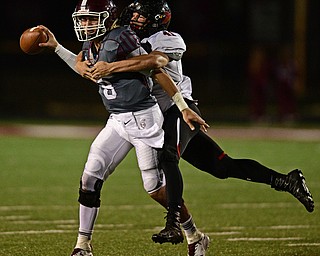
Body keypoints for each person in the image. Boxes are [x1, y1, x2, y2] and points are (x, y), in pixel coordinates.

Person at [88, 0, 315, 250]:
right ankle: (286, 180)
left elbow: (155, 62)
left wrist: (111, 66)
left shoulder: (168, 38)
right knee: (221, 165)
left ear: (157, 19)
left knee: (167, 156)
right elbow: (88, 56)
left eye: (141, 16)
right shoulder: (123, 37)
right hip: (158, 112)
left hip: (181, 108)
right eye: (133, 14)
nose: (134, 19)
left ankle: (173, 223)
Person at [37, 0, 209, 255]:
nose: (85, 24)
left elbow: (156, 68)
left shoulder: (122, 38)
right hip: (117, 120)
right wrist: (57, 48)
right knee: (90, 177)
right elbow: (85, 70)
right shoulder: (91, 44)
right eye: (82, 19)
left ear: (107, 18)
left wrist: (183, 106)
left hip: (144, 118)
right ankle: (82, 245)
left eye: (91, 18)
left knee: (155, 190)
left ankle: (194, 234)